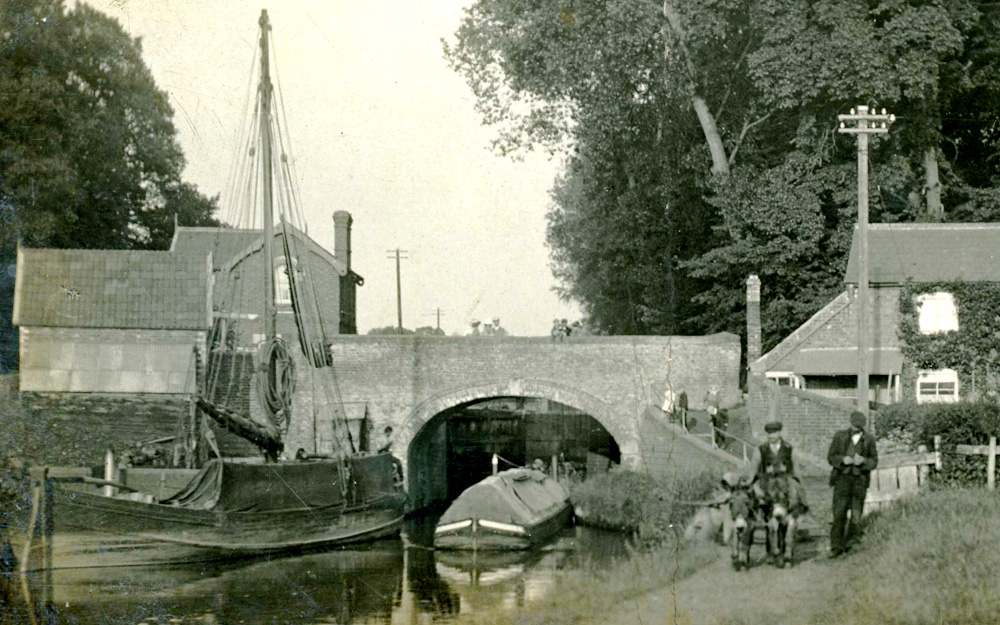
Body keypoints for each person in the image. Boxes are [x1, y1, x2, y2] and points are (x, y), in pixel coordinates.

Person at [827, 411, 878, 557]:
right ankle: (836, 546)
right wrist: (843, 460)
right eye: (854, 426)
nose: (856, 429)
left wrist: (864, 461)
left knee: (856, 514)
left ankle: (851, 544)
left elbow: (874, 461)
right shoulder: (840, 436)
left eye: (859, 427)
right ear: (850, 423)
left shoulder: (869, 440)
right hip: (842, 480)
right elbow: (831, 457)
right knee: (839, 513)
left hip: (859, 481)